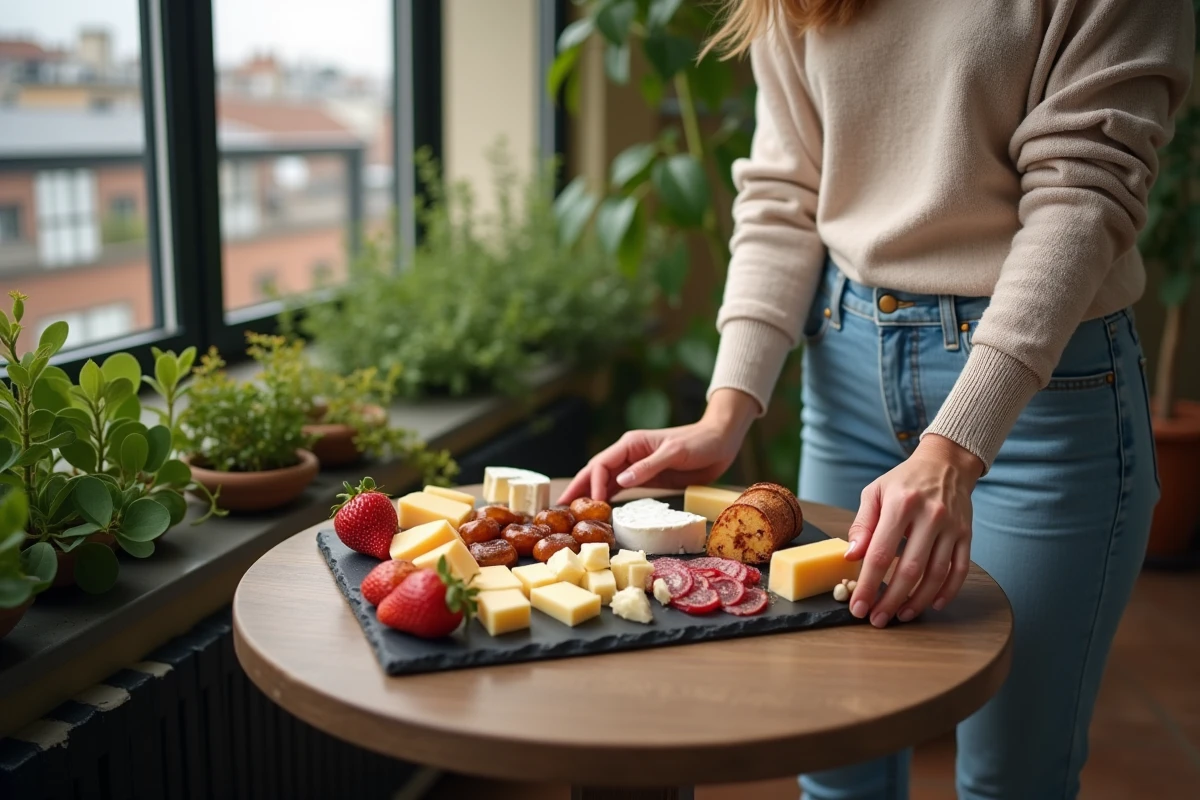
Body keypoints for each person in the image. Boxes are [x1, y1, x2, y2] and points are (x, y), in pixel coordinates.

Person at [560, 0, 1195, 797]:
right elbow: (784, 191)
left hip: (1042, 392)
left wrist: (954, 449)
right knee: (837, 771)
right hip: (848, 367)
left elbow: (1084, 193)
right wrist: (728, 409)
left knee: (1014, 778)